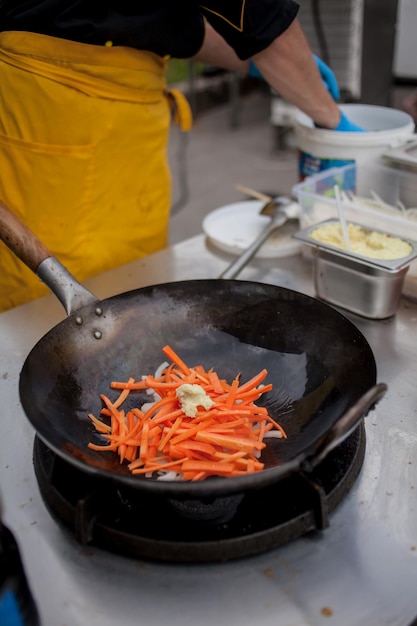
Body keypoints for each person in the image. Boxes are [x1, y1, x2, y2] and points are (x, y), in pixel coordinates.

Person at [0, 1, 362, 312]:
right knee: (46, 312)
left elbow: (156, 21)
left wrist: (247, 58)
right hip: (57, 105)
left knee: (134, 293)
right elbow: (261, 17)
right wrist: (333, 122)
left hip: (130, 121)